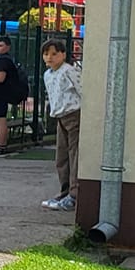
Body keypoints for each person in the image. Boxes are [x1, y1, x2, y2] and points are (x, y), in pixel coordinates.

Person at [40, 37, 81, 210]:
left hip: (74, 115)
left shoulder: (69, 71)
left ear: (63, 55)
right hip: (60, 117)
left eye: (54, 54)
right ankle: (64, 191)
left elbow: (83, 89)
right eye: (46, 54)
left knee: (75, 155)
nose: (50, 57)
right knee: (61, 156)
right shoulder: (47, 74)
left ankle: (74, 194)